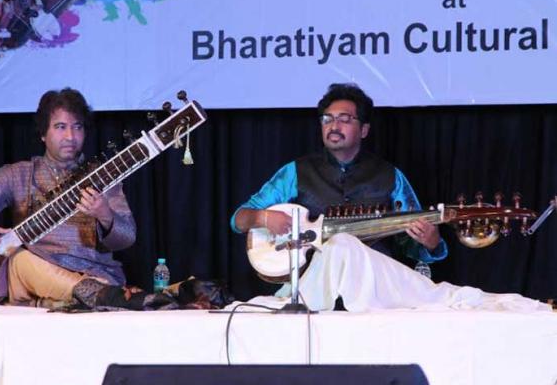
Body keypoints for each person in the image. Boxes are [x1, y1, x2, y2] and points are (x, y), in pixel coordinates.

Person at [231, 83, 549, 312]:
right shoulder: (295, 172)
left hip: (374, 287)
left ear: (364, 129)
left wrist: (430, 243)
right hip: (312, 286)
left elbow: (415, 247)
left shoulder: (389, 176)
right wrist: (263, 217)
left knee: (345, 246)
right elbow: (239, 220)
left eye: (344, 119)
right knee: (339, 246)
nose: (333, 126)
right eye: (327, 119)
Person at [0, 88, 140, 309]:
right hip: (35, 274)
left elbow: (127, 237)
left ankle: (62, 300)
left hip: (93, 272)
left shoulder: (103, 177)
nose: (70, 136)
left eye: (77, 127)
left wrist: (104, 214)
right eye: (60, 127)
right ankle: (90, 296)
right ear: (42, 134)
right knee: (19, 259)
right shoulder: (19, 175)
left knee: (31, 269)